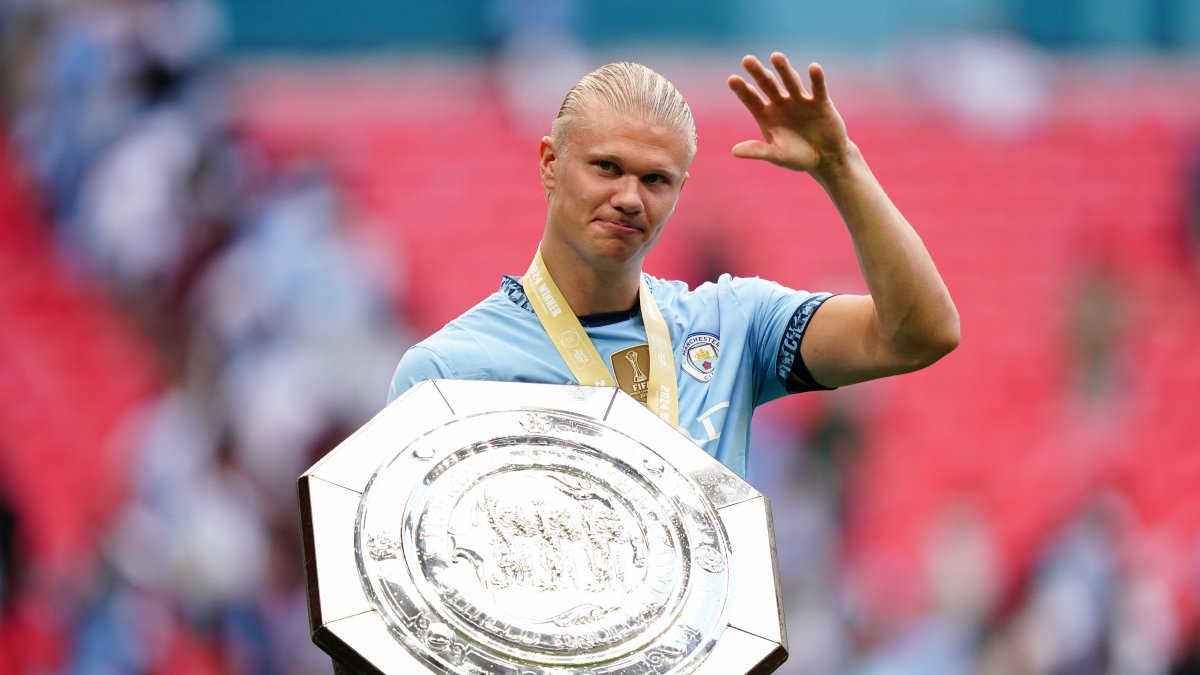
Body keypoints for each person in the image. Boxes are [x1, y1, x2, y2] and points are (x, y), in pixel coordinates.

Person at [388, 52, 959, 478]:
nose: (631, 197)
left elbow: (918, 335)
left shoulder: (733, 326)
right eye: (607, 167)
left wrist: (840, 164)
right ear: (550, 163)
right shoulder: (447, 370)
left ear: (680, 189)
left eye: (655, 179)